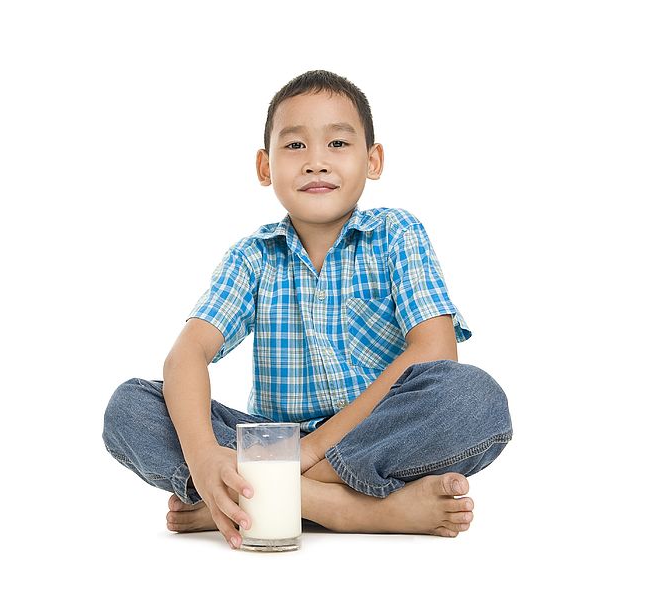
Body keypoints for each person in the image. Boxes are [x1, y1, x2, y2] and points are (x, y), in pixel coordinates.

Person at [102, 69, 513, 549]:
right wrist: (206, 458)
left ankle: (263, 503)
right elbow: (185, 357)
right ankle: (340, 507)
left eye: (338, 144)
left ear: (373, 160)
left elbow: (435, 350)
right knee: (130, 407)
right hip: (269, 447)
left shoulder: (397, 235)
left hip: (377, 434)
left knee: (474, 397)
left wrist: (310, 450)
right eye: (295, 146)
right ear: (264, 166)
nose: (316, 162)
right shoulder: (253, 256)